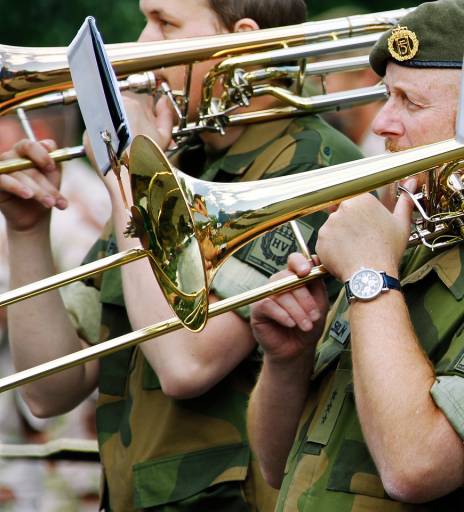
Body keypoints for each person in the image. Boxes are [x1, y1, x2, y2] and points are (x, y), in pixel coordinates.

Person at [0, 0, 363, 509]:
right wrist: (27, 229)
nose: (144, 45)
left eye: (165, 23)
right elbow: (50, 388)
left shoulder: (314, 166)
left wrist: (129, 174)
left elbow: (187, 365)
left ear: (243, 43)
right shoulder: (176, 156)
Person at [245, 0, 464, 510]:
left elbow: (416, 466)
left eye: (409, 103)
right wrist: (286, 361)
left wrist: (371, 276)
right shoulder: (416, 233)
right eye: (385, 96)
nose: (380, 123)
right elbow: (275, 463)